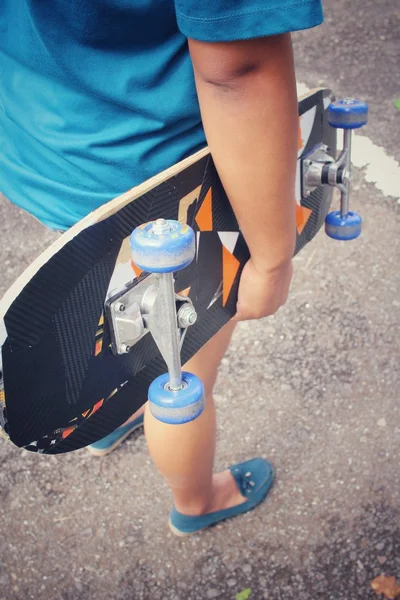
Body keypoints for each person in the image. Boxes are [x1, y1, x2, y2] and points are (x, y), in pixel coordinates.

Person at [0, 0, 323, 535]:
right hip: (167, 178)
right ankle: (197, 501)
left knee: (119, 305)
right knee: (184, 371)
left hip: (52, 154)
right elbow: (238, 68)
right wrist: (272, 256)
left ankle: (111, 411)